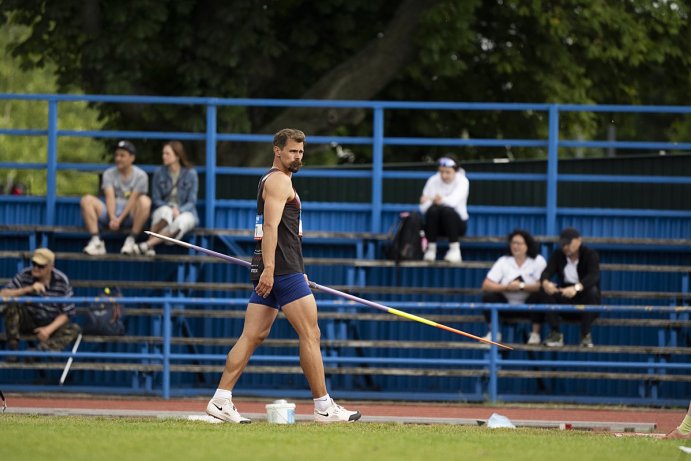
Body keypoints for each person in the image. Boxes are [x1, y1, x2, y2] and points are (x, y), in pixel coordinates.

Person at [205, 128, 361, 424]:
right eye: (292, 151)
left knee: (253, 335)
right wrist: (270, 269)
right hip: (284, 269)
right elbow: (272, 228)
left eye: (301, 152)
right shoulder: (278, 180)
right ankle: (324, 407)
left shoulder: (276, 180)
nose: (297, 156)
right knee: (311, 334)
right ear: (277, 150)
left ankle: (221, 399)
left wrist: (266, 268)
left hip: (276, 268)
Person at [1, 248, 80, 355]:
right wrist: (28, 289)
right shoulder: (25, 275)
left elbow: (68, 312)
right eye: (34, 264)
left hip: (50, 322)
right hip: (28, 320)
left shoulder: (62, 281)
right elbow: (3, 294)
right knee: (11, 305)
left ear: (51, 267)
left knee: (74, 329)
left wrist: (48, 330)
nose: (36, 268)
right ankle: (13, 348)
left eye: (41, 266)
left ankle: (39, 351)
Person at [80, 140, 151, 255]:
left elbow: (133, 199)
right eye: (117, 155)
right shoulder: (108, 173)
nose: (118, 158)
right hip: (110, 213)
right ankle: (96, 241)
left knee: (145, 201)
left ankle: (131, 240)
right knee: (86, 200)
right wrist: (113, 217)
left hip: (130, 215)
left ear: (132, 158)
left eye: (122, 155)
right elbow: (110, 197)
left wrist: (120, 219)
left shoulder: (141, 175)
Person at [480, 229, 546, 345]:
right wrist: (506, 287)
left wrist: (521, 286)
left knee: (541, 295)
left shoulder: (538, 260)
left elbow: (543, 285)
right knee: (488, 296)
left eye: (519, 243)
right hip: (506, 306)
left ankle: (535, 334)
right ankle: (494, 333)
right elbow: (486, 284)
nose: (515, 246)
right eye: (513, 243)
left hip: (529, 308)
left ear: (527, 245)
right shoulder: (504, 261)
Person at [133, 141, 199, 255]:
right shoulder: (159, 172)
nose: (164, 156)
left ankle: (148, 244)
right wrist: (171, 207)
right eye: (163, 153)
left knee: (181, 222)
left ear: (177, 156)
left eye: (167, 154)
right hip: (165, 208)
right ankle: (148, 246)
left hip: (186, 211)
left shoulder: (191, 174)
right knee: (165, 212)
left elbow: (192, 201)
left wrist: (179, 210)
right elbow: (156, 198)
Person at [539, 227, 600, 347]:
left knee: (592, 291)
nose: (565, 247)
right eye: (563, 244)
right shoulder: (558, 254)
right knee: (543, 290)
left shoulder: (591, 255)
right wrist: (546, 283)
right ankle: (555, 334)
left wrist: (576, 288)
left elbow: (594, 276)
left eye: (568, 243)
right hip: (565, 298)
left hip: (585, 299)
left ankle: (585, 335)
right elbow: (546, 272)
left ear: (579, 241)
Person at [419, 156, 469, 263]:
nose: (444, 175)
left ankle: (455, 250)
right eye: (441, 172)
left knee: (447, 211)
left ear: (456, 171)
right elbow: (423, 208)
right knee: (433, 211)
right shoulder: (433, 180)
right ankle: (431, 249)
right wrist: (435, 201)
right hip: (437, 227)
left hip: (457, 226)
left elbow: (453, 202)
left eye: (448, 172)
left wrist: (435, 200)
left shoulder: (463, 181)